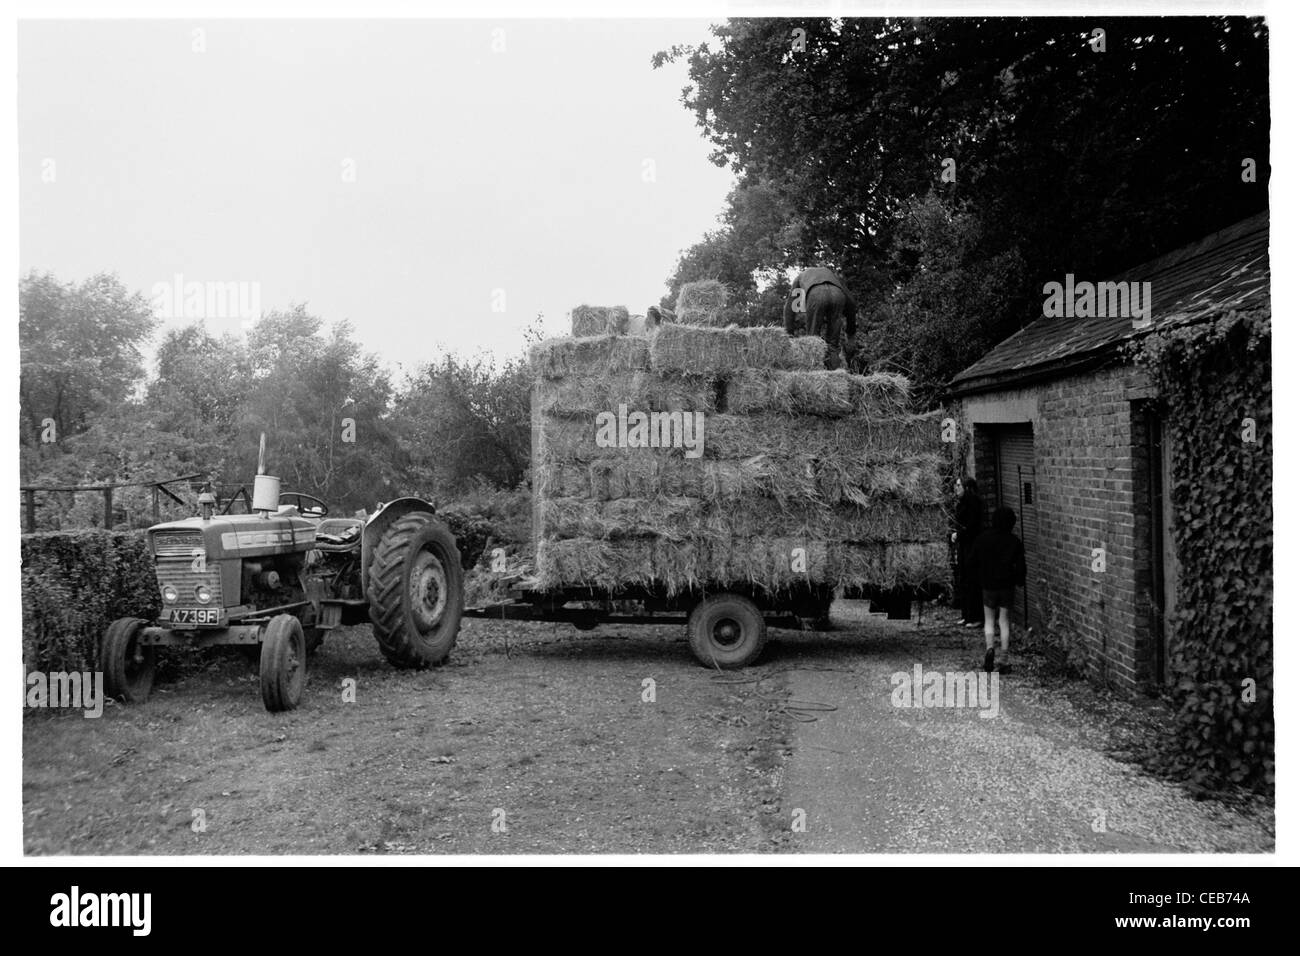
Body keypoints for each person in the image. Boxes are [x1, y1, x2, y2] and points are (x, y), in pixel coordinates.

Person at [966, 505, 1027, 673]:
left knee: (989, 620)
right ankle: (1004, 659)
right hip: (1006, 586)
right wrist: (1019, 580)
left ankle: (990, 648)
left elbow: (971, 561)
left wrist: (978, 576)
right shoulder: (1015, 541)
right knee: (1004, 621)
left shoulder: (982, 538)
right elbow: (1021, 567)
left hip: (988, 585)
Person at [782, 266, 858, 369]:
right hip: (837, 295)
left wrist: (788, 335)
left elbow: (790, 308)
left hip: (816, 294)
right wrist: (851, 332)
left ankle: (813, 372)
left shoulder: (800, 277)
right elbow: (851, 303)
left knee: (813, 341)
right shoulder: (832, 275)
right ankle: (834, 374)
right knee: (832, 344)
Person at [950, 476, 984, 626]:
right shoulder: (963, 502)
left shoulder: (974, 504)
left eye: (959, 486)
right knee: (964, 578)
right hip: (964, 544)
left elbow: (973, 525)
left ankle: (976, 617)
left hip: (972, 545)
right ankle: (967, 615)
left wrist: (959, 534)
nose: (956, 488)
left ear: (967, 488)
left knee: (972, 580)